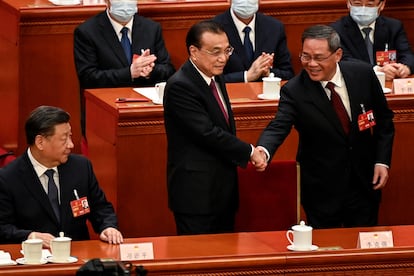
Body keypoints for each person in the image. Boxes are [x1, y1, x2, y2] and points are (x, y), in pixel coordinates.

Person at [255, 25, 395, 229]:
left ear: (337, 54)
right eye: (305, 56)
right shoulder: (294, 91)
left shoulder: (362, 74)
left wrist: (382, 161)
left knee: (362, 250)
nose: (311, 64)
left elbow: (384, 120)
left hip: (364, 183)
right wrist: (264, 150)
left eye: (319, 57)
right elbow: (279, 125)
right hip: (322, 190)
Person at [163, 20, 265, 235]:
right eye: (215, 52)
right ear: (194, 51)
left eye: (227, 50)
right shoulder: (180, 85)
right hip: (196, 195)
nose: (223, 58)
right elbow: (207, 132)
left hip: (222, 190)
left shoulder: (215, 76)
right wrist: (249, 151)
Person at [0, 106, 123, 247]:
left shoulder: (81, 167)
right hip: (35, 259)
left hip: (79, 257)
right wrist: (30, 236)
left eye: (70, 136)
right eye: (64, 139)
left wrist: (108, 227)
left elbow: (100, 207)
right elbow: (3, 228)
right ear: (40, 142)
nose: (70, 145)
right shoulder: (8, 178)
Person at [74, 0, 175, 134]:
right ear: (107, 1)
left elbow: (168, 70)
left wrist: (151, 71)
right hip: (106, 112)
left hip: (145, 110)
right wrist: (129, 73)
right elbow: (88, 77)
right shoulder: (87, 32)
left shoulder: (151, 28)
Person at [212, 0, 294, 82]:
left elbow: (288, 74)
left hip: (265, 92)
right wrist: (246, 76)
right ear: (229, 1)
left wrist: (267, 72)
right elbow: (211, 78)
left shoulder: (274, 27)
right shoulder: (213, 29)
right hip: (230, 92)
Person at [331, 0, 414, 81]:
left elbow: (407, 54)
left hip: (389, 84)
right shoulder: (336, 30)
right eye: (357, 4)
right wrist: (377, 70)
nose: (363, 9)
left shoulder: (394, 27)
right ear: (348, 3)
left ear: (382, 5)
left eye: (369, 4)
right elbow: (343, 60)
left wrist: (405, 68)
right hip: (357, 83)